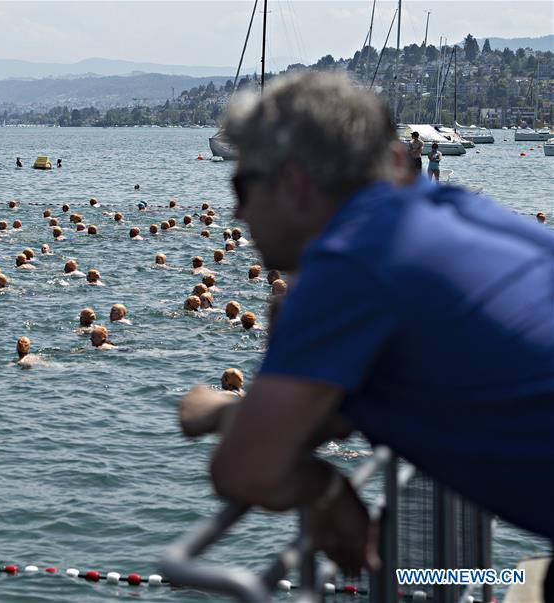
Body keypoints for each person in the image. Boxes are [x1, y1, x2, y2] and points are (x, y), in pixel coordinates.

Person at [179, 73, 554, 582]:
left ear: (293, 182)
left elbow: (245, 469)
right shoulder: (455, 211)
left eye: (243, 185)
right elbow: (323, 420)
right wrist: (229, 411)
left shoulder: (353, 260)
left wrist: (327, 490)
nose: (237, 211)